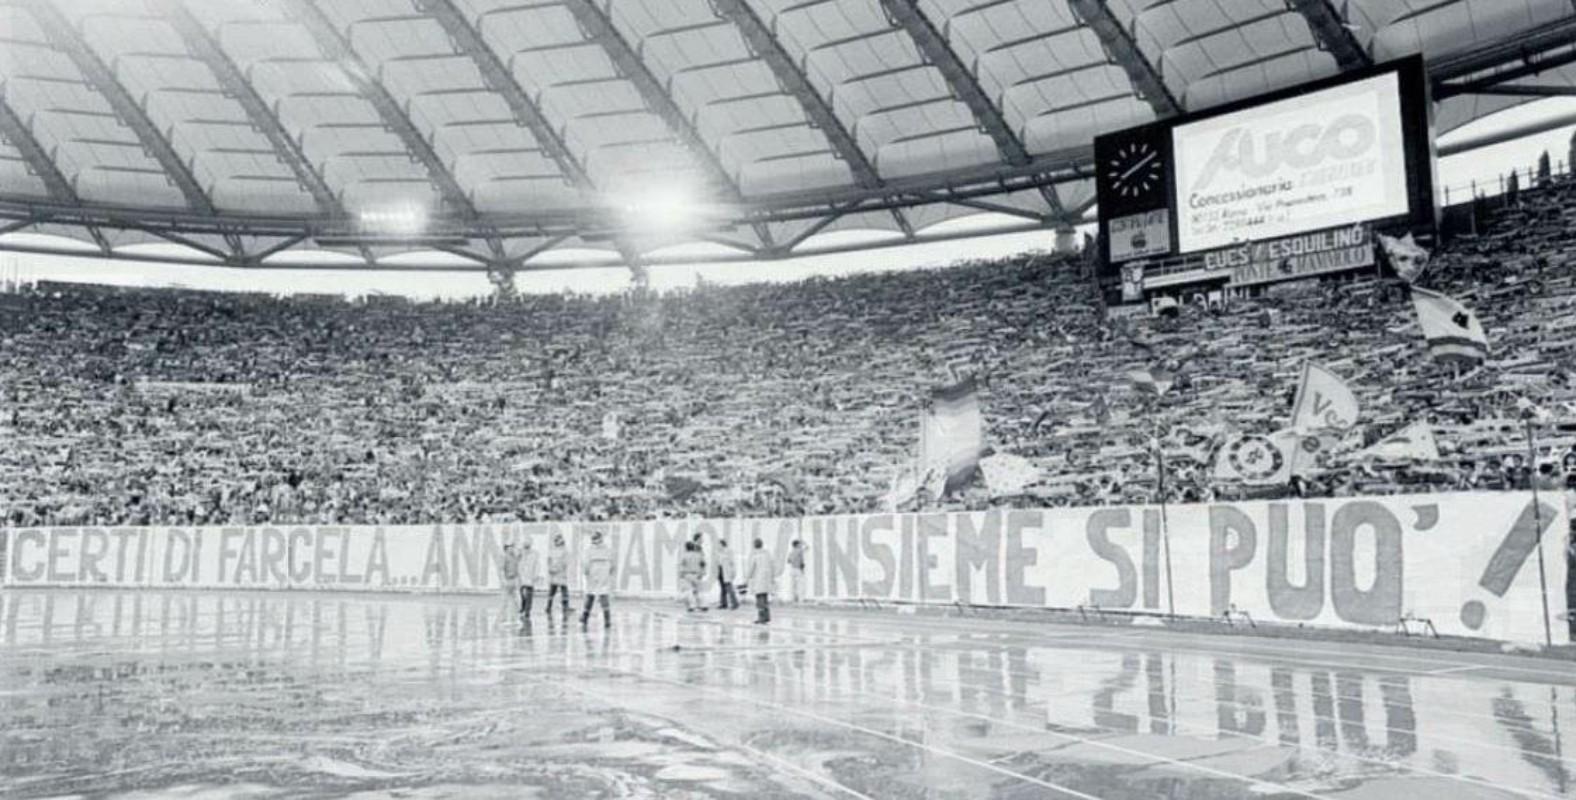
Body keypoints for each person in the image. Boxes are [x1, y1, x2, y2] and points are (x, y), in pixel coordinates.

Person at [580, 530, 615, 629]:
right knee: (604, 596)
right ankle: (607, 620)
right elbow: (613, 564)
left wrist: (586, 573)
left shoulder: (589, 550)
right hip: (604, 574)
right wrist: (609, 573)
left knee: (590, 595)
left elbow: (586, 564)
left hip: (593, 573)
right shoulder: (608, 549)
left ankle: (585, 617)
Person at [743, 537, 777, 625]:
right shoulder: (768, 555)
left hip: (758, 580)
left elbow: (751, 569)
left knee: (759, 600)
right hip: (767, 580)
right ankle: (767, 617)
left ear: (755, 545)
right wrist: (772, 578)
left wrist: (746, 580)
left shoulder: (755, 555)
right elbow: (773, 567)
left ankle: (761, 617)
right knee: (765, 598)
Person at [546, 533, 570, 620]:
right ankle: (548, 606)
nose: (557, 542)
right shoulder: (552, 551)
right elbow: (548, 560)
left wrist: (557, 569)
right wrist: (550, 568)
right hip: (554, 573)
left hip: (561, 573)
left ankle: (565, 606)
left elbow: (565, 563)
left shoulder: (565, 551)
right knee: (552, 590)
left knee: (563, 590)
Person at [677, 540, 705, 612]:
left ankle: (692, 606)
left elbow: (681, 565)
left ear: (686, 548)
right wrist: (702, 573)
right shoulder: (698, 555)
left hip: (687, 575)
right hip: (697, 574)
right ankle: (703, 605)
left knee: (689, 591)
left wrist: (681, 574)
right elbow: (703, 564)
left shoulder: (684, 555)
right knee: (699, 591)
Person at [499, 543, 522, 624]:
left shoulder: (514, 556)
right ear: (507, 548)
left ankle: (515, 618)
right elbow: (501, 569)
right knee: (505, 601)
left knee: (516, 600)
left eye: (512, 547)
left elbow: (520, 556)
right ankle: (503, 619)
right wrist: (503, 580)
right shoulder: (504, 557)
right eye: (510, 547)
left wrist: (518, 548)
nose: (512, 548)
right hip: (507, 579)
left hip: (514, 580)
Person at [517, 537, 540, 619]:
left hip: (530, 576)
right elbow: (517, 562)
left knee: (529, 595)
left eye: (527, 544)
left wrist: (536, 575)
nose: (526, 546)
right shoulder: (520, 553)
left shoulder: (535, 554)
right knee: (522, 594)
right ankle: (523, 607)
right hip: (521, 576)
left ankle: (527, 610)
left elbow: (537, 565)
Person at [716, 539, 739, 610]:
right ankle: (723, 603)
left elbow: (732, 563)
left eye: (719, 544)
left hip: (726, 572)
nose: (718, 546)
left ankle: (735, 603)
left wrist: (733, 572)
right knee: (722, 588)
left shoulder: (728, 551)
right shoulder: (719, 553)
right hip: (720, 570)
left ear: (722, 544)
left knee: (729, 588)